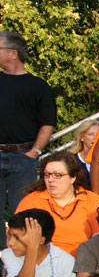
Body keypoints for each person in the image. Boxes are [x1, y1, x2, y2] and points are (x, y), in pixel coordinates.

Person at [0, 31, 56, 249]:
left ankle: (21, 259)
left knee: (22, 213)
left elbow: (47, 123)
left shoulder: (38, 86)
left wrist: (34, 152)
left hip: (23, 158)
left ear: (13, 53)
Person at [15, 152, 99, 256]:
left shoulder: (91, 199)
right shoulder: (32, 200)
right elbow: (15, 235)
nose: (51, 180)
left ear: (72, 177)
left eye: (58, 175)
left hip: (81, 262)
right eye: (47, 175)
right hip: (42, 261)